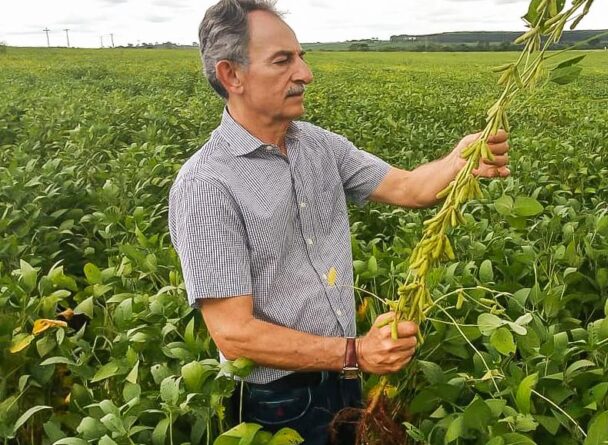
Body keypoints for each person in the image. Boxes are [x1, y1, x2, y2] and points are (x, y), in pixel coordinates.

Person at [167, 0, 510, 443]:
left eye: (302, 57)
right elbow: (235, 335)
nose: (305, 73)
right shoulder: (207, 184)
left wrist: (461, 159)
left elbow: (408, 188)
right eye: (283, 60)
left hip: (345, 378)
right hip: (278, 400)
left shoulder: (318, 145)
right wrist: (357, 352)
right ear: (232, 75)